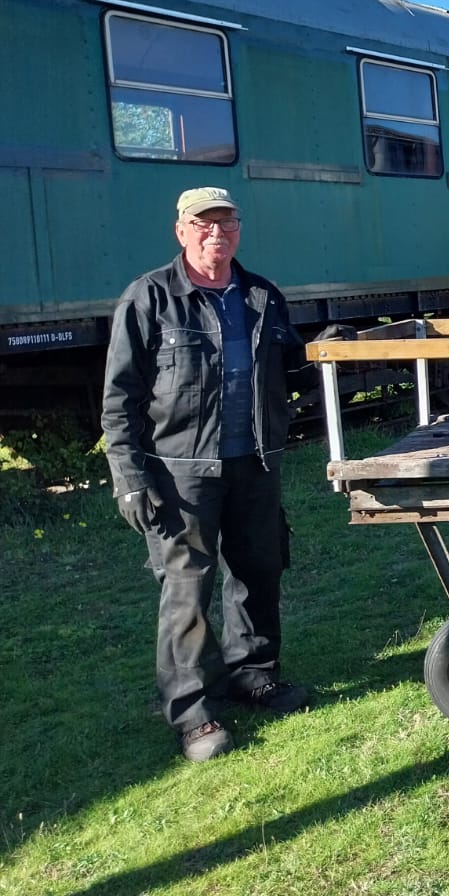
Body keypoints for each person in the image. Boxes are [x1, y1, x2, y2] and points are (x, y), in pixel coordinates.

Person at [102, 187, 311, 762]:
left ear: (238, 229)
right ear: (181, 230)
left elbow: (294, 368)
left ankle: (254, 673)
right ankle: (192, 711)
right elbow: (119, 399)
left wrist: (329, 351)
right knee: (186, 586)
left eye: (226, 222)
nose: (216, 232)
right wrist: (129, 475)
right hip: (181, 470)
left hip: (255, 461)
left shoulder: (262, 296)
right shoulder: (149, 298)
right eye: (203, 223)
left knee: (259, 568)